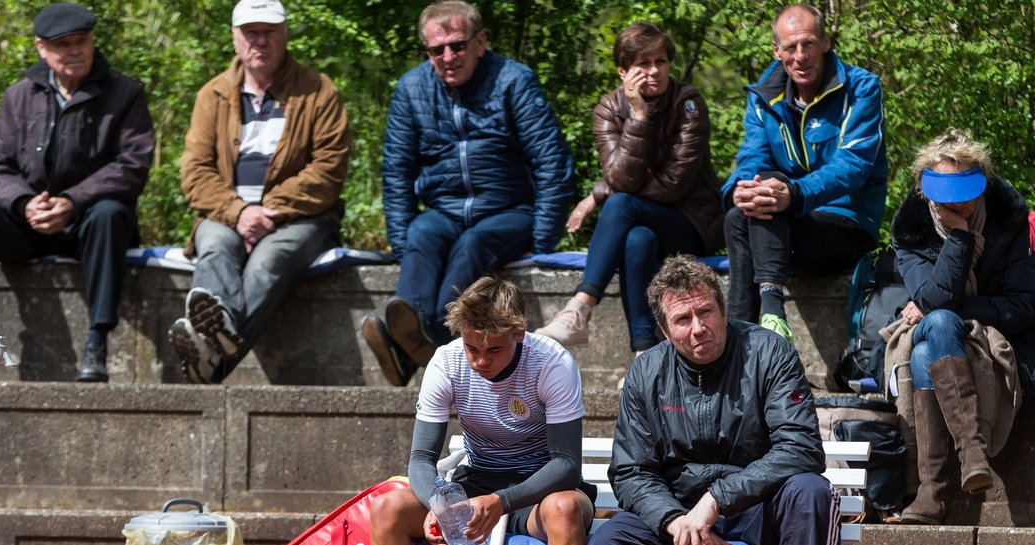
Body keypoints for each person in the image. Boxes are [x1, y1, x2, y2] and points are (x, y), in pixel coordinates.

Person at [587, 255, 841, 545]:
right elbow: (630, 472)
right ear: (665, 331)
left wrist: (716, 500)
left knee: (810, 491)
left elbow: (802, 447)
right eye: (682, 319)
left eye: (705, 312)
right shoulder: (646, 373)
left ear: (723, 310)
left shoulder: (769, 352)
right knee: (610, 544)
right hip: (684, 515)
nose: (698, 327)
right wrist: (672, 520)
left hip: (764, 507)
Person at [360, 276, 594, 545]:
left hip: (540, 491)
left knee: (564, 510)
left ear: (519, 335)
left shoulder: (552, 362)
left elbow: (566, 465)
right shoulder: (446, 362)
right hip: (476, 483)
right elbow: (420, 459)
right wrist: (437, 503)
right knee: (388, 508)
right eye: (472, 348)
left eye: (494, 349)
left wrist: (502, 502)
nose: (481, 361)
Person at [363, 1, 574, 387]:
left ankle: (420, 346)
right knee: (420, 234)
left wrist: (543, 240)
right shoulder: (412, 88)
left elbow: (551, 161)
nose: (448, 57)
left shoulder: (513, 81)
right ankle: (413, 341)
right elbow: (396, 171)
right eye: (436, 50)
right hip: (442, 209)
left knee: (472, 243)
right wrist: (400, 244)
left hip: (507, 209)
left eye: (457, 46)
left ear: (480, 42)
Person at [170, 0, 350, 384]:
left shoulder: (319, 90)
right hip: (225, 215)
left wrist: (268, 211)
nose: (260, 41)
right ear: (235, 39)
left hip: (300, 219)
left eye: (269, 32)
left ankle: (209, 360)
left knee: (270, 259)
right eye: (251, 33)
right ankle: (218, 341)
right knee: (215, 245)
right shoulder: (212, 95)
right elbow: (195, 171)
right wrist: (239, 212)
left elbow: (328, 169)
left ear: (285, 35)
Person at [535, 23, 722, 378]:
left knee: (620, 206)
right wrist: (638, 116)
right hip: (645, 225)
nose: (654, 71)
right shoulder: (609, 109)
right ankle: (644, 356)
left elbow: (673, 186)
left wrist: (598, 194)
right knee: (637, 238)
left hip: (692, 221)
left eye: (661, 61)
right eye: (643, 63)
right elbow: (621, 178)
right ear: (623, 71)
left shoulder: (688, 103)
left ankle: (580, 307)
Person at [0, 2, 153, 382]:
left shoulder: (125, 94)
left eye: (82, 41)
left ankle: (97, 341)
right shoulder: (20, 96)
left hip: (88, 224)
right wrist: (25, 204)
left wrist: (73, 203)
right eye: (64, 44)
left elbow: (132, 165)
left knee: (110, 213)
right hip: (29, 223)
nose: (75, 50)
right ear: (41, 47)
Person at [889, 130, 1035, 525]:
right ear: (925, 188)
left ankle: (931, 493)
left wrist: (954, 309)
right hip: (944, 333)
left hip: (1004, 338)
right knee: (939, 325)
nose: (955, 200)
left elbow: (1020, 305)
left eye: (964, 187)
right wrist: (960, 239)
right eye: (943, 190)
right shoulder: (911, 231)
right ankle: (971, 455)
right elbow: (935, 302)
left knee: (933, 339)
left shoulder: (1006, 218)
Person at [721, 3, 886, 344]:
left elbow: (854, 166)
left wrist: (794, 193)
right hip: (783, 232)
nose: (800, 56)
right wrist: (739, 189)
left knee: (764, 202)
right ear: (776, 50)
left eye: (808, 44)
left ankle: (760, 324)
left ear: (826, 42)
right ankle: (750, 333)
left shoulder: (862, 88)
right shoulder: (762, 97)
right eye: (790, 47)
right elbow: (752, 158)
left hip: (845, 226)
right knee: (740, 213)